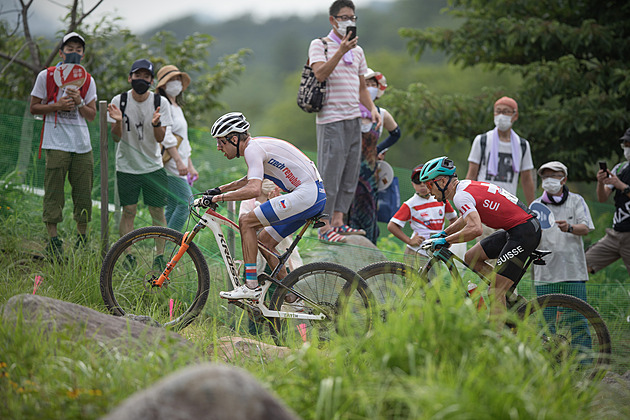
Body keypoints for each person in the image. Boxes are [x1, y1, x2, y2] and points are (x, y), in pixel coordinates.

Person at [206, 112, 325, 300]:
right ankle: (291, 297)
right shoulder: (257, 146)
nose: (219, 147)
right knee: (264, 242)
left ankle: (250, 285)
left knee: (246, 221)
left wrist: (219, 198)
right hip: (313, 196)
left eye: (221, 142)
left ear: (234, 139)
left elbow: (253, 189)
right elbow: (248, 179)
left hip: (307, 195)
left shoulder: (252, 150)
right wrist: (218, 190)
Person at [418, 156, 541, 317]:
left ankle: (498, 338)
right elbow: (466, 217)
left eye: (429, 184)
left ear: (442, 182)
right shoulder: (465, 187)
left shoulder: (460, 196)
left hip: (525, 232)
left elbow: (475, 229)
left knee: (495, 291)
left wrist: (445, 241)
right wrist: (444, 233)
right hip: (517, 229)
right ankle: (511, 299)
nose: (428, 191)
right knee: (471, 257)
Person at [309, 0, 381, 243]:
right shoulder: (321, 45)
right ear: (333, 20)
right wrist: (341, 50)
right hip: (331, 119)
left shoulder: (358, 51)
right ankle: (323, 225)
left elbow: (362, 87)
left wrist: (372, 108)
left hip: (354, 119)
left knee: (349, 174)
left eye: (353, 17)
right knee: (330, 174)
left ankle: (339, 221)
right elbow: (319, 73)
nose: (349, 21)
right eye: (344, 17)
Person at [107, 59, 188, 268]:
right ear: (130, 77)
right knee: (129, 211)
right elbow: (115, 138)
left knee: (157, 212)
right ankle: (128, 255)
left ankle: (160, 256)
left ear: (151, 80)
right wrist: (117, 121)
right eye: (137, 75)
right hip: (126, 166)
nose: (140, 80)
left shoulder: (159, 102)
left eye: (145, 76)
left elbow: (161, 138)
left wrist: (156, 124)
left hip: (153, 165)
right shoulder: (120, 100)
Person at [29, 32, 98, 261]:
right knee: (54, 193)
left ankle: (82, 238)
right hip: (55, 142)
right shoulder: (46, 76)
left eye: (78, 49)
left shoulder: (87, 80)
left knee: (83, 194)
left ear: (83, 54)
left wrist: (79, 103)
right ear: (61, 52)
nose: (74, 53)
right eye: (70, 49)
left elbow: (92, 115)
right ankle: (53, 240)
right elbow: (34, 107)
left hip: (82, 146)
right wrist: (57, 106)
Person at [530, 161, 594, 350]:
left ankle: (584, 363)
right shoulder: (536, 205)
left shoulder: (576, 200)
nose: (548, 180)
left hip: (573, 271)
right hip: (545, 274)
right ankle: (546, 362)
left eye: (554, 176)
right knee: (545, 324)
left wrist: (570, 227)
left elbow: (586, 228)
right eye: (545, 176)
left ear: (564, 179)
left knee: (578, 321)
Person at [347, 68, 401, 244]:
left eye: (373, 84)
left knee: (368, 208)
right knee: (345, 206)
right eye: (366, 84)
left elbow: (396, 133)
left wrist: (379, 149)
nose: (370, 87)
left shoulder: (381, 113)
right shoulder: (349, 110)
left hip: (369, 172)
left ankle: (368, 246)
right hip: (347, 168)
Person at [388, 164, 457, 271]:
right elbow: (392, 226)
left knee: (434, 285)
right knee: (416, 285)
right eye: (417, 181)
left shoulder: (440, 199)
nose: (422, 184)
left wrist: (449, 238)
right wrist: (409, 241)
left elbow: (453, 219)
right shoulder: (410, 204)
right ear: (412, 184)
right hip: (417, 251)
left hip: (436, 250)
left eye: (425, 180)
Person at [156, 64, 199, 232]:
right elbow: (166, 136)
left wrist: (189, 165)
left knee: (173, 205)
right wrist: (179, 161)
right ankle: (170, 244)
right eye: (171, 80)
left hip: (179, 163)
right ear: (163, 85)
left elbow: (183, 139)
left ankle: (161, 248)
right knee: (185, 203)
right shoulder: (162, 103)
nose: (176, 83)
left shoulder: (177, 108)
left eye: (177, 79)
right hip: (170, 165)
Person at [585, 127, 630, 275]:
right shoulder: (620, 168)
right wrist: (600, 182)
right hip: (615, 234)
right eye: (625, 145)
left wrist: (621, 186)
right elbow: (602, 198)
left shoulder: (620, 180)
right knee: (582, 264)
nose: (627, 148)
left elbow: (620, 187)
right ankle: (566, 298)